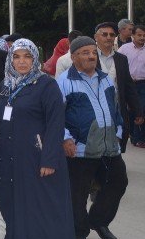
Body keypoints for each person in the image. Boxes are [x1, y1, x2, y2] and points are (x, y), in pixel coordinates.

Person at [0, 39, 75, 239]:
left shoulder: (46, 85)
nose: (21, 62)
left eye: (26, 57)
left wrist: (49, 159)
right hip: (9, 160)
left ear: (35, 59)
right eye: (16, 57)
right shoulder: (5, 85)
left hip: (37, 159)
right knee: (15, 210)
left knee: (39, 211)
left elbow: (55, 124)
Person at [57, 37, 128, 239]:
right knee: (78, 192)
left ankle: (98, 220)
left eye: (93, 53)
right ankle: (78, 230)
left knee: (118, 182)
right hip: (79, 148)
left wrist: (118, 132)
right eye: (85, 52)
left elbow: (116, 109)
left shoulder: (106, 78)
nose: (91, 56)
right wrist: (65, 138)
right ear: (73, 57)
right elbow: (55, 116)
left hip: (109, 147)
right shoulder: (64, 82)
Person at [56, 22, 142, 152]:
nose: (108, 37)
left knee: (116, 153)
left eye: (112, 35)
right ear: (96, 36)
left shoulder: (121, 59)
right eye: (104, 34)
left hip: (116, 111)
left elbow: (128, 87)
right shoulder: (83, 59)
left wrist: (137, 110)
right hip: (87, 124)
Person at [118, 24, 145, 147]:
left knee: (141, 108)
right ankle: (132, 134)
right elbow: (117, 62)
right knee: (129, 109)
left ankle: (139, 138)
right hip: (127, 84)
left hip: (142, 84)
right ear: (133, 35)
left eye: (144, 35)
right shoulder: (125, 49)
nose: (142, 38)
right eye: (139, 35)